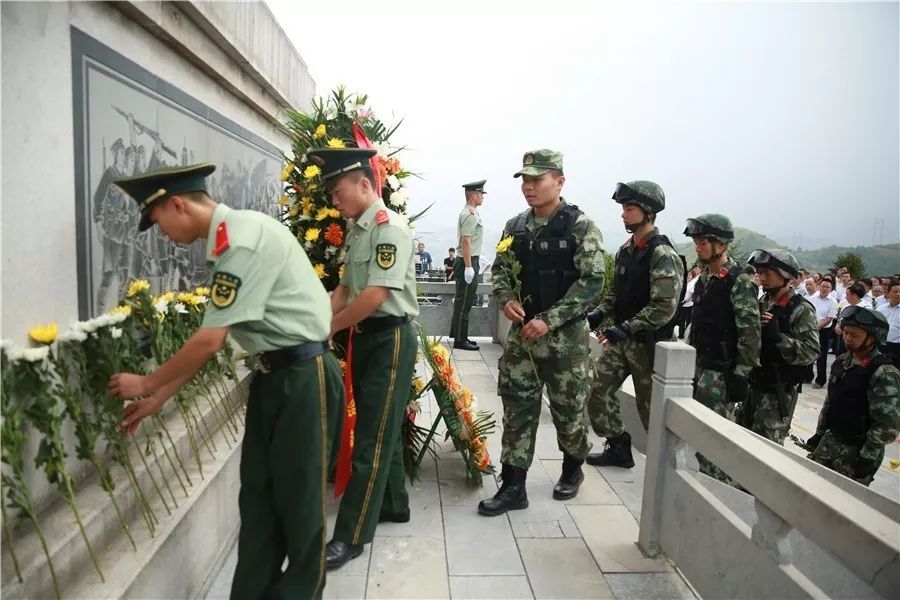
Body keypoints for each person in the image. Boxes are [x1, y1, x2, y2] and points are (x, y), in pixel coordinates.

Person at [107, 163, 343, 599]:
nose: (163, 235)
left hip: (303, 380)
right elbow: (224, 335)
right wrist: (161, 395)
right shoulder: (228, 241)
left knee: (300, 506)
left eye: (159, 222)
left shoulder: (241, 241)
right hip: (275, 377)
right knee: (258, 502)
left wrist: (147, 383)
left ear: (178, 204)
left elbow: (210, 340)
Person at [308, 148, 419, 571]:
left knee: (370, 435)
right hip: (367, 337)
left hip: (389, 338)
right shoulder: (357, 231)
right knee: (382, 422)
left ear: (363, 185)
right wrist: (314, 317)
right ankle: (394, 504)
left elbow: (375, 295)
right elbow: (344, 289)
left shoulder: (388, 230)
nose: (335, 202)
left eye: (338, 192)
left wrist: (330, 328)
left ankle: (351, 535)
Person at [479, 149, 605, 516]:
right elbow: (500, 270)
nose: (529, 187)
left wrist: (550, 318)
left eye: (537, 179)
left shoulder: (580, 226)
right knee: (517, 408)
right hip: (522, 340)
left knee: (569, 411)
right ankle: (514, 485)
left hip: (564, 343)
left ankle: (572, 467)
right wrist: (506, 298)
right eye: (525, 180)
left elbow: (592, 282)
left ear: (559, 181)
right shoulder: (515, 226)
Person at [584, 181, 684, 468]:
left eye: (629, 209)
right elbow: (616, 295)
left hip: (648, 346)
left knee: (650, 411)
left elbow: (665, 306)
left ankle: (667, 470)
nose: (623, 214)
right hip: (622, 341)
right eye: (623, 209)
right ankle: (618, 445)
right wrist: (599, 314)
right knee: (596, 390)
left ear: (648, 212)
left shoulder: (662, 253)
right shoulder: (626, 250)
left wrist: (626, 327)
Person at [684, 214, 760, 482]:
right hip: (700, 368)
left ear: (721, 244)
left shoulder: (740, 281)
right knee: (699, 434)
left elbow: (750, 333)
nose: (698, 247)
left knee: (714, 441)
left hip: (720, 374)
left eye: (703, 242)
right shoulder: (705, 279)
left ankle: (719, 490)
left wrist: (741, 374)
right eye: (696, 242)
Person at [804, 307, 900, 486]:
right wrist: (819, 434)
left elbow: (887, 425)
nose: (847, 338)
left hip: (857, 451)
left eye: (854, 335)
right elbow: (830, 402)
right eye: (845, 333)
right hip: (830, 441)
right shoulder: (842, 361)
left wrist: (866, 458)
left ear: (873, 338)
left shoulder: (884, 373)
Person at [744, 249, 819, 444]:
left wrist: (779, 337)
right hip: (754, 386)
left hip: (777, 394)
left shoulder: (801, 309)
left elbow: (810, 353)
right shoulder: (763, 302)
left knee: (766, 451)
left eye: (767, 273)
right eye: (760, 273)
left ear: (786, 277)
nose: (762, 278)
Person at [450, 180, 487, 350]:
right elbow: (466, 241)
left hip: (470, 260)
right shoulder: (469, 215)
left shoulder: (471, 213)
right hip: (468, 260)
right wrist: (468, 266)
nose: (483, 197)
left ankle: (462, 336)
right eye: (481, 194)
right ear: (474, 195)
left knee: (466, 301)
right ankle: (459, 340)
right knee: (463, 302)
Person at [808, 277, 838, 388]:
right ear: (819, 286)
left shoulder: (833, 301)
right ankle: (807, 376)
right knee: (808, 352)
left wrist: (817, 327)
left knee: (821, 356)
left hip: (824, 331)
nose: (825, 288)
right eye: (823, 286)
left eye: (827, 287)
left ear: (831, 289)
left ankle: (820, 380)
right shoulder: (813, 298)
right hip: (810, 328)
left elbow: (830, 318)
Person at [876, 280, 900, 366]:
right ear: (889, 293)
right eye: (895, 292)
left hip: (897, 346)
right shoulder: (881, 308)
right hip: (881, 345)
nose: (898, 294)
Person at [677, 264, 702, 339]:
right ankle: (681, 334)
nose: (695, 270)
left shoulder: (697, 280)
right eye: (695, 268)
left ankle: (687, 335)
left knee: (688, 321)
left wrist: (684, 301)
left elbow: (691, 293)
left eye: (697, 269)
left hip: (689, 303)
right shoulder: (691, 281)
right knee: (682, 320)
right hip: (684, 303)